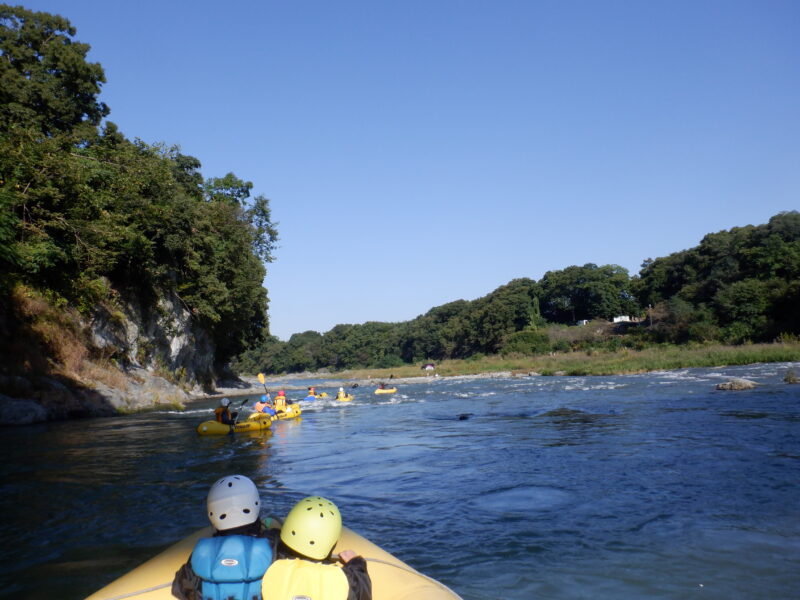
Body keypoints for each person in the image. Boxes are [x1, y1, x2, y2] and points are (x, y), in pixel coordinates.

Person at [172, 475, 279, 600]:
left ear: (212, 511)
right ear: (255, 503)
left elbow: (179, 588)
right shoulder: (273, 544)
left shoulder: (202, 553)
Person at [261, 496, 371, 600]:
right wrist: (356, 564)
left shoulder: (270, 560)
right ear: (332, 542)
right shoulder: (344, 580)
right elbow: (362, 592)